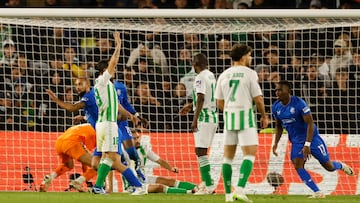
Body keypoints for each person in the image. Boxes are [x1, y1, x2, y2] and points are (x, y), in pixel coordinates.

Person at [272, 80, 354, 198]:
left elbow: (310, 123)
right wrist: (275, 143)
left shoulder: (299, 103)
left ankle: (340, 165)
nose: (277, 92)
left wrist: (307, 144)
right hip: (296, 141)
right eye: (276, 90)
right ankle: (317, 192)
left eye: (280, 90)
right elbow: (278, 126)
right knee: (297, 164)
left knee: (328, 166)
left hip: (312, 138)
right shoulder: (276, 107)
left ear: (288, 91)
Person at [91, 31, 145, 195]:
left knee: (108, 157)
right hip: (108, 125)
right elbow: (113, 62)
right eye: (109, 67)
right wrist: (119, 45)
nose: (113, 68)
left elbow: (118, 107)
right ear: (104, 70)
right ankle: (139, 186)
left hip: (104, 124)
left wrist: (131, 116)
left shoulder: (108, 87)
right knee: (114, 158)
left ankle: (98, 187)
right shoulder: (102, 81)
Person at [214, 43, 268, 203]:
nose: (251, 58)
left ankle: (228, 196)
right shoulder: (250, 73)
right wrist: (264, 116)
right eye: (250, 55)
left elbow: (219, 101)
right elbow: (258, 99)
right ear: (244, 56)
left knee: (227, 158)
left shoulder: (224, 74)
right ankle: (240, 189)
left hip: (229, 117)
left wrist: (229, 110)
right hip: (245, 116)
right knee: (250, 153)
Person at [179, 53, 217, 194]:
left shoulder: (200, 77)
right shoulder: (211, 75)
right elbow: (206, 97)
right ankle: (207, 182)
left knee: (200, 151)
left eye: (193, 63)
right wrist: (190, 106)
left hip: (204, 118)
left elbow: (201, 97)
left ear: (196, 64)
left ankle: (208, 185)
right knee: (202, 151)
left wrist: (195, 120)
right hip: (212, 116)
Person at [121, 129, 198, 194]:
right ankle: (190, 192)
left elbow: (159, 160)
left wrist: (171, 168)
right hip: (132, 185)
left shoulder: (143, 149)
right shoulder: (123, 152)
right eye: (134, 138)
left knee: (169, 181)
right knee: (159, 187)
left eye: (138, 137)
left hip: (143, 178)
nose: (137, 140)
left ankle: (197, 187)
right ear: (128, 140)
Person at [39, 124, 97, 192]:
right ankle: (77, 182)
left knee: (68, 165)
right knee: (98, 165)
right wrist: (87, 180)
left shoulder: (87, 126)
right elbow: (85, 161)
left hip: (59, 142)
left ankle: (50, 177)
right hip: (72, 142)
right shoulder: (96, 134)